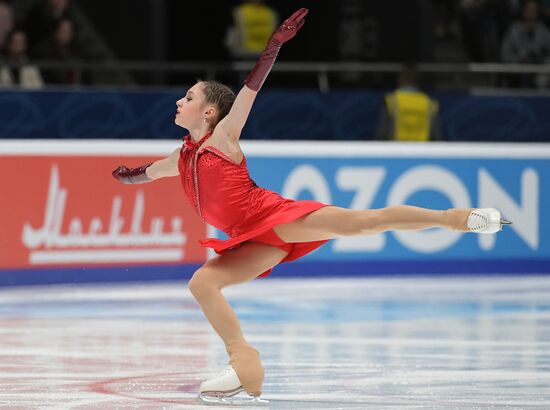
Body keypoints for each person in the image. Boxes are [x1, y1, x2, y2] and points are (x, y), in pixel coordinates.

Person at [112, 8, 511, 404]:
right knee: (203, 283)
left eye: (189, 97)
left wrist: (272, 46)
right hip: (249, 240)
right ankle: (244, 362)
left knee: (362, 223)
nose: (180, 102)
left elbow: (252, 87)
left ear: (211, 112)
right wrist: (125, 176)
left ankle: (458, 218)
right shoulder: (180, 157)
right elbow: (146, 173)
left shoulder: (224, 138)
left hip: (272, 216)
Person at [376, 64, 441, 142]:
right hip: (422, 151)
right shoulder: (430, 103)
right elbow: (436, 136)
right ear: (418, 81)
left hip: (395, 151)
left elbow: (382, 134)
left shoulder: (390, 101)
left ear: (399, 79)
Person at [501, 0, 550, 87]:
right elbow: (505, 54)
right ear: (523, 11)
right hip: (518, 72)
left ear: (537, 12)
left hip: (539, 72)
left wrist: (541, 63)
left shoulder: (544, 32)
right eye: (529, 9)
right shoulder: (514, 30)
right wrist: (520, 60)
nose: (531, 12)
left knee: (542, 80)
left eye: (534, 10)